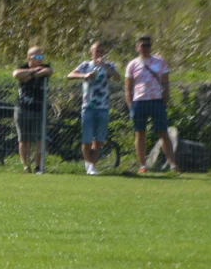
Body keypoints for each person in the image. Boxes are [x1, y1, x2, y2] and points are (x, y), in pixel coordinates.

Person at [125, 34, 178, 174]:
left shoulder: (160, 62)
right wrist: (130, 105)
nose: (146, 48)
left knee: (163, 132)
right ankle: (142, 165)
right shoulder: (132, 64)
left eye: (148, 45)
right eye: (143, 45)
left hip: (156, 101)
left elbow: (166, 82)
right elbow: (128, 87)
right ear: (137, 47)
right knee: (140, 133)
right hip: (139, 102)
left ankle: (173, 165)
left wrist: (165, 99)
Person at [67, 41, 120, 175]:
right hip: (88, 106)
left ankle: (92, 166)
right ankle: (88, 163)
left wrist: (106, 67)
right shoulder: (86, 65)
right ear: (91, 53)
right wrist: (84, 75)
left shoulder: (109, 66)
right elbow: (70, 75)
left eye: (102, 51)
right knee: (87, 138)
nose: (100, 54)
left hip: (103, 107)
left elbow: (118, 78)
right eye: (97, 51)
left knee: (99, 139)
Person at [12, 45, 53, 173]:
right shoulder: (22, 67)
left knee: (40, 140)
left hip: (39, 109)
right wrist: (34, 72)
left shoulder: (45, 67)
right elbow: (16, 74)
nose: (40, 59)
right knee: (23, 140)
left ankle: (38, 167)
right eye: (37, 56)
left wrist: (29, 75)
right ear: (29, 57)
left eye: (42, 56)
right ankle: (26, 166)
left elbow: (49, 71)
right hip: (22, 109)